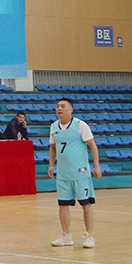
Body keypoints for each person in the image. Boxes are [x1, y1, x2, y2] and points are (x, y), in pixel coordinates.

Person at [48, 98, 101, 249]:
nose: (59, 108)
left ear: (71, 109)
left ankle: (89, 236)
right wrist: (51, 165)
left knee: (86, 204)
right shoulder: (53, 126)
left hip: (80, 173)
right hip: (63, 174)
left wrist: (96, 166)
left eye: (63, 106)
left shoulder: (80, 125)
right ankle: (66, 236)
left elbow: (93, 146)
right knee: (63, 205)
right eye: (57, 106)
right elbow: (53, 147)